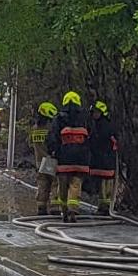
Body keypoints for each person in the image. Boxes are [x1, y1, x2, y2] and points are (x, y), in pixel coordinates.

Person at [47, 91, 93, 222]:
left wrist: (53, 151)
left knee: (63, 184)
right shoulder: (84, 118)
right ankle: (73, 209)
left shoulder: (59, 119)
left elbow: (53, 137)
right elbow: (91, 136)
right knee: (76, 183)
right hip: (81, 158)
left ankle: (64, 211)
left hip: (64, 157)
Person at [86, 100, 120, 215]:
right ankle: (102, 206)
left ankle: (106, 207)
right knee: (101, 184)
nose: (94, 114)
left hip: (107, 159)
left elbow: (113, 141)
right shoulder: (95, 125)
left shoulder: (107, 126)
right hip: (98, 160)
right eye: (93, 112)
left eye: (96, 112)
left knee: (107, 184)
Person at [29, 101, 58, 215]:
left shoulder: (34, 128)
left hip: (38, 160)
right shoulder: (50, 128)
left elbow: (31, 144)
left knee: (42, 184)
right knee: (55, 183)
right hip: (50, 160)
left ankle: (41, 207)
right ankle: (55, 207)